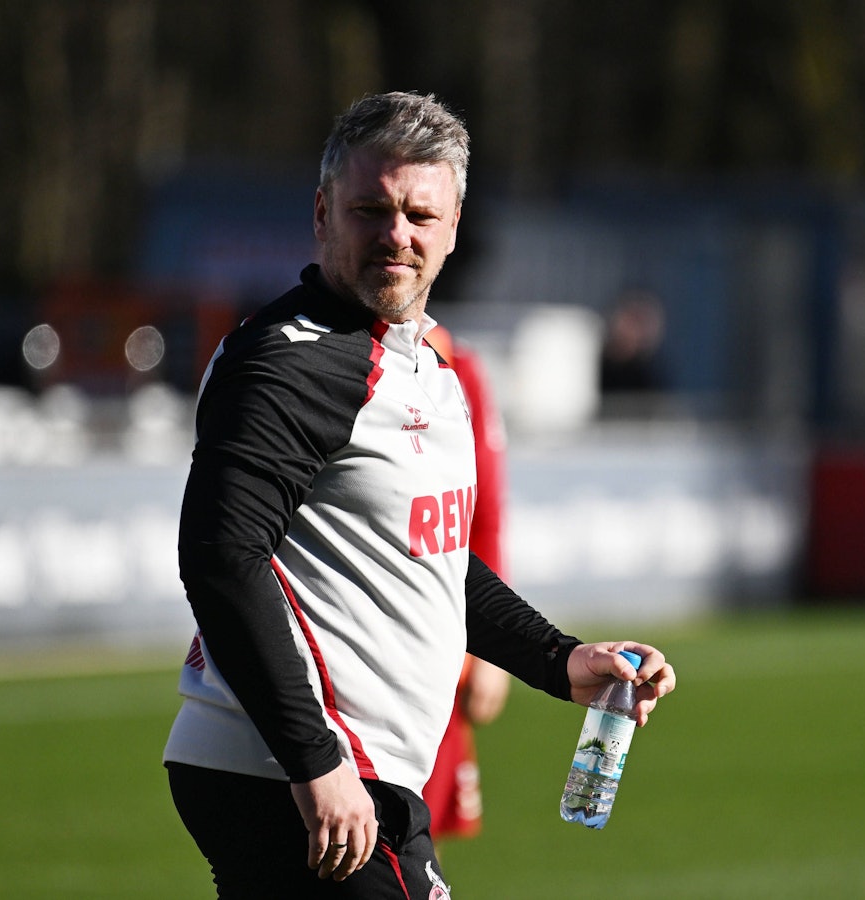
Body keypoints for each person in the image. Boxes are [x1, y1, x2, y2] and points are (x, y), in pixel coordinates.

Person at [164, 91, 676, 899]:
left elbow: (432, 563)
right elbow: (221, 556)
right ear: (323, 213)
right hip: (304, 778)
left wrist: (557, 659)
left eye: (418, 214)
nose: (395, 235)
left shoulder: (426, 368)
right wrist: (316, 761)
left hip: (346, 776)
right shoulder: (289, 361)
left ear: (454, 229)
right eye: (370, 210)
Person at [420, 325, 511, 842]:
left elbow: (485, 514)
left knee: (412, 846)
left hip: (436, 655)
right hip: (333, 663)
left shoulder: (455, 366)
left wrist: (491, 648)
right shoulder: (294, 351)